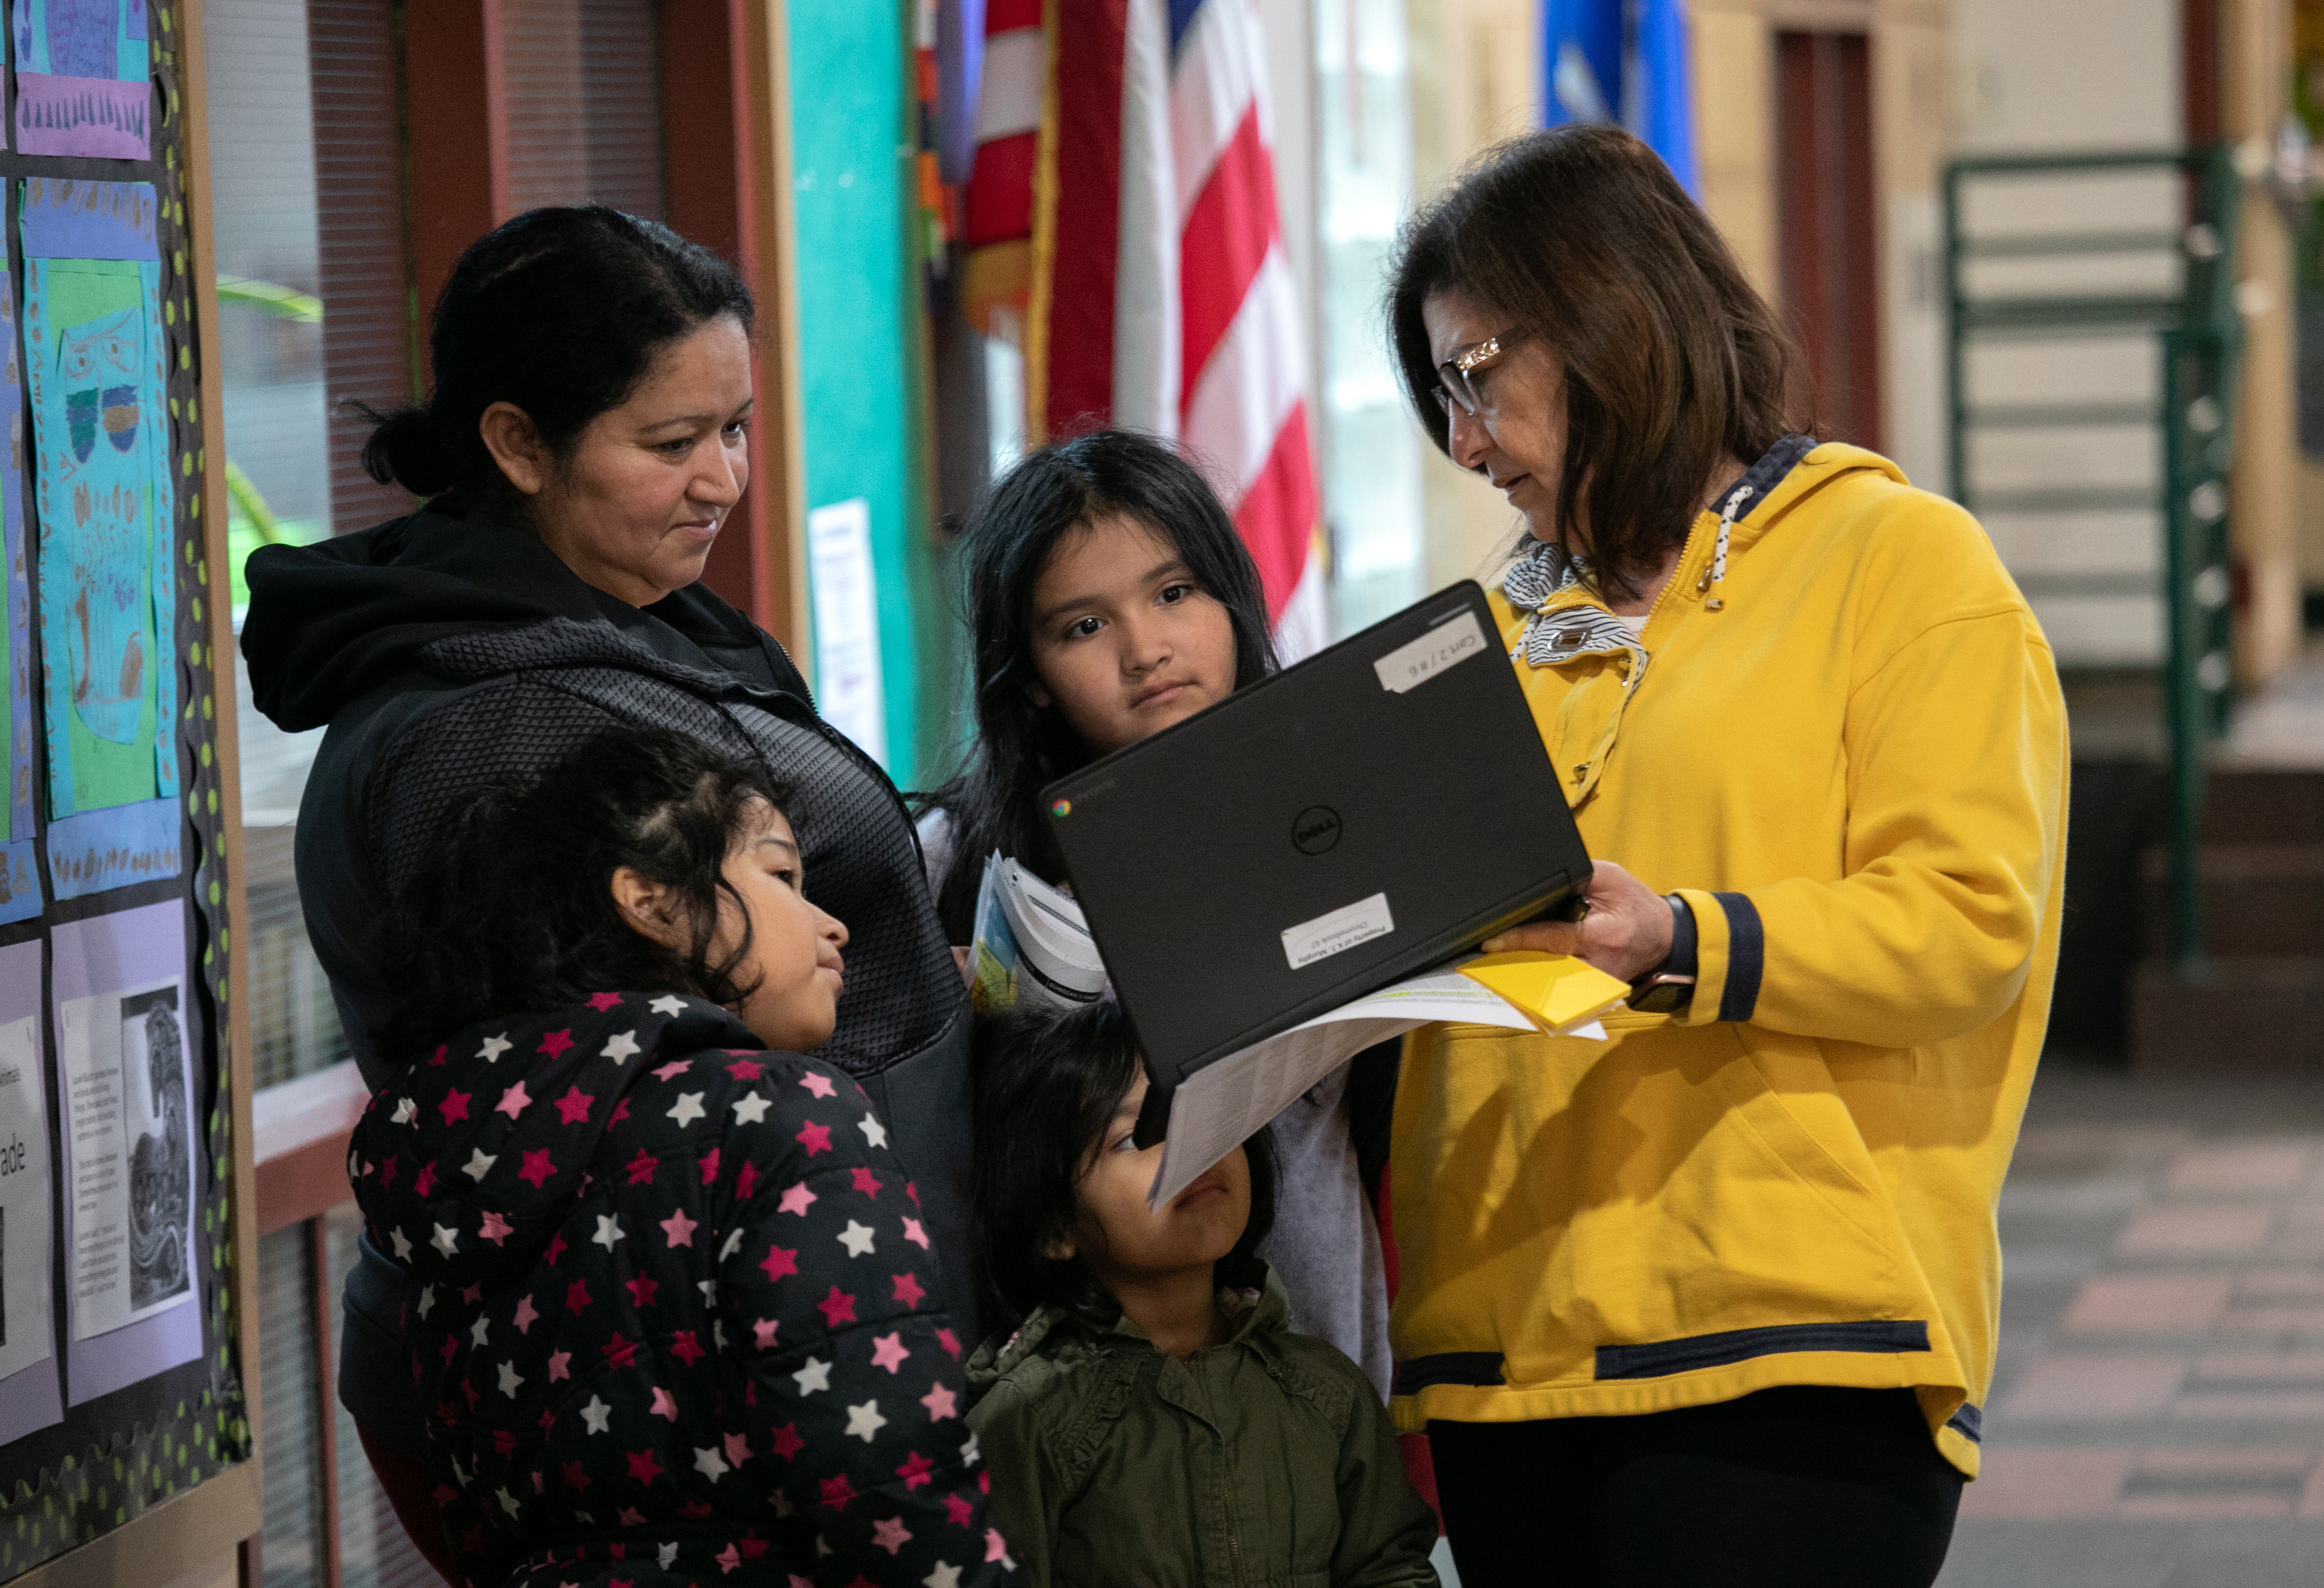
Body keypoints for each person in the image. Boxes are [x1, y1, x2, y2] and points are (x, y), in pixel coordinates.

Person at [1377, 125, 2066, 1585]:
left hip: (1795, 1337)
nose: (1464, 444)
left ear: (1608, 316)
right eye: (1439, 396)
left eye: (1475, 375)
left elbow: (1966, 924)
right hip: (1504, 1351)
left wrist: (1683, 940)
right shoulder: (1471, 649)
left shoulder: (1899, 563)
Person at [239, 207, 974, 1573]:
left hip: (787, 1334)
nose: (722, 479)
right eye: (670, 442)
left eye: (736, 428)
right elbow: (604, 1114)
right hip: (708, 1402)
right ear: (518, 445)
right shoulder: (497, 727)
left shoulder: (620, 623)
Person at [349, 726, 1002, 1587]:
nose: (832, 924)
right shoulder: (783, 1114)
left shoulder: (462, 1165)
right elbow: (891, 1482)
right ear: (651, 901)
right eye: (782, 878)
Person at [918, 428, 1396, 1395]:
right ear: (1034, 678)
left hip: (1318, 1386)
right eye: (1083, 627)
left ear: (1233, 600)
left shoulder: (1342, 822)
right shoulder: (954, 864)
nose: (1147, 650)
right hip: (1066, 1413)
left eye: (1175, 594)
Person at [962, 1001, 1439, 1587]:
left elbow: (1389, 1566)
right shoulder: (1027, 1418)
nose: (1192, 1150)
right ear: (1055, 1227)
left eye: (1206, 1118)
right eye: (1135, 1139)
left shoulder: (1330, 1392)